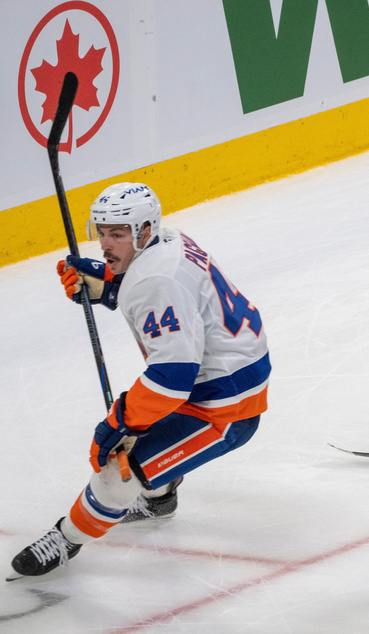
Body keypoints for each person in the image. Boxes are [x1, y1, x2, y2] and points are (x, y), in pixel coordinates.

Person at [7, 182, 270, 580]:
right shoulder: (168, 239)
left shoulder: (154, 280)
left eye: (118, 234)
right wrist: (109, 282)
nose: (106, 245)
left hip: (224, 406)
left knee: (116, 471)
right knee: (140, 439)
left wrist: (118, 423)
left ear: (144, 231)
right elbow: (165, 298)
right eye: (103, 233)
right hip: (223, 373)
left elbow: (171, 379)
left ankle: (66, 539)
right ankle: (159, 497)